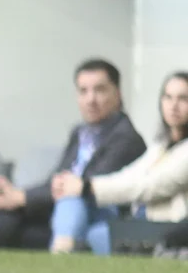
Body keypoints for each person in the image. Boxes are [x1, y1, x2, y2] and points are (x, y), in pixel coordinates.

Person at [0, 59, 147, 251]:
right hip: (60, 208)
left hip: (94, 213)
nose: (90, 99)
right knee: (1, 219)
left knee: (66, 202)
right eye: (83, 91)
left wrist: (22, 197)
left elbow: (85, 186)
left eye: (100, 90)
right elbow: (57, 179)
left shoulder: (126, 138)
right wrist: (15, 194)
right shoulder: (80, 132)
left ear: (117, 94)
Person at [49, 71, 188, 253]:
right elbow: (128, 175)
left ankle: (60, 257)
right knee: (72, 200)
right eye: (168, 97)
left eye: (183, 98)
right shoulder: (160, 146)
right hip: (137, 220)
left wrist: (87, 187)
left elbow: (149, 187)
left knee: (96, 234)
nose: (173, 106)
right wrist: (75, 186)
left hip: (166, 227)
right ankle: (60, 251)